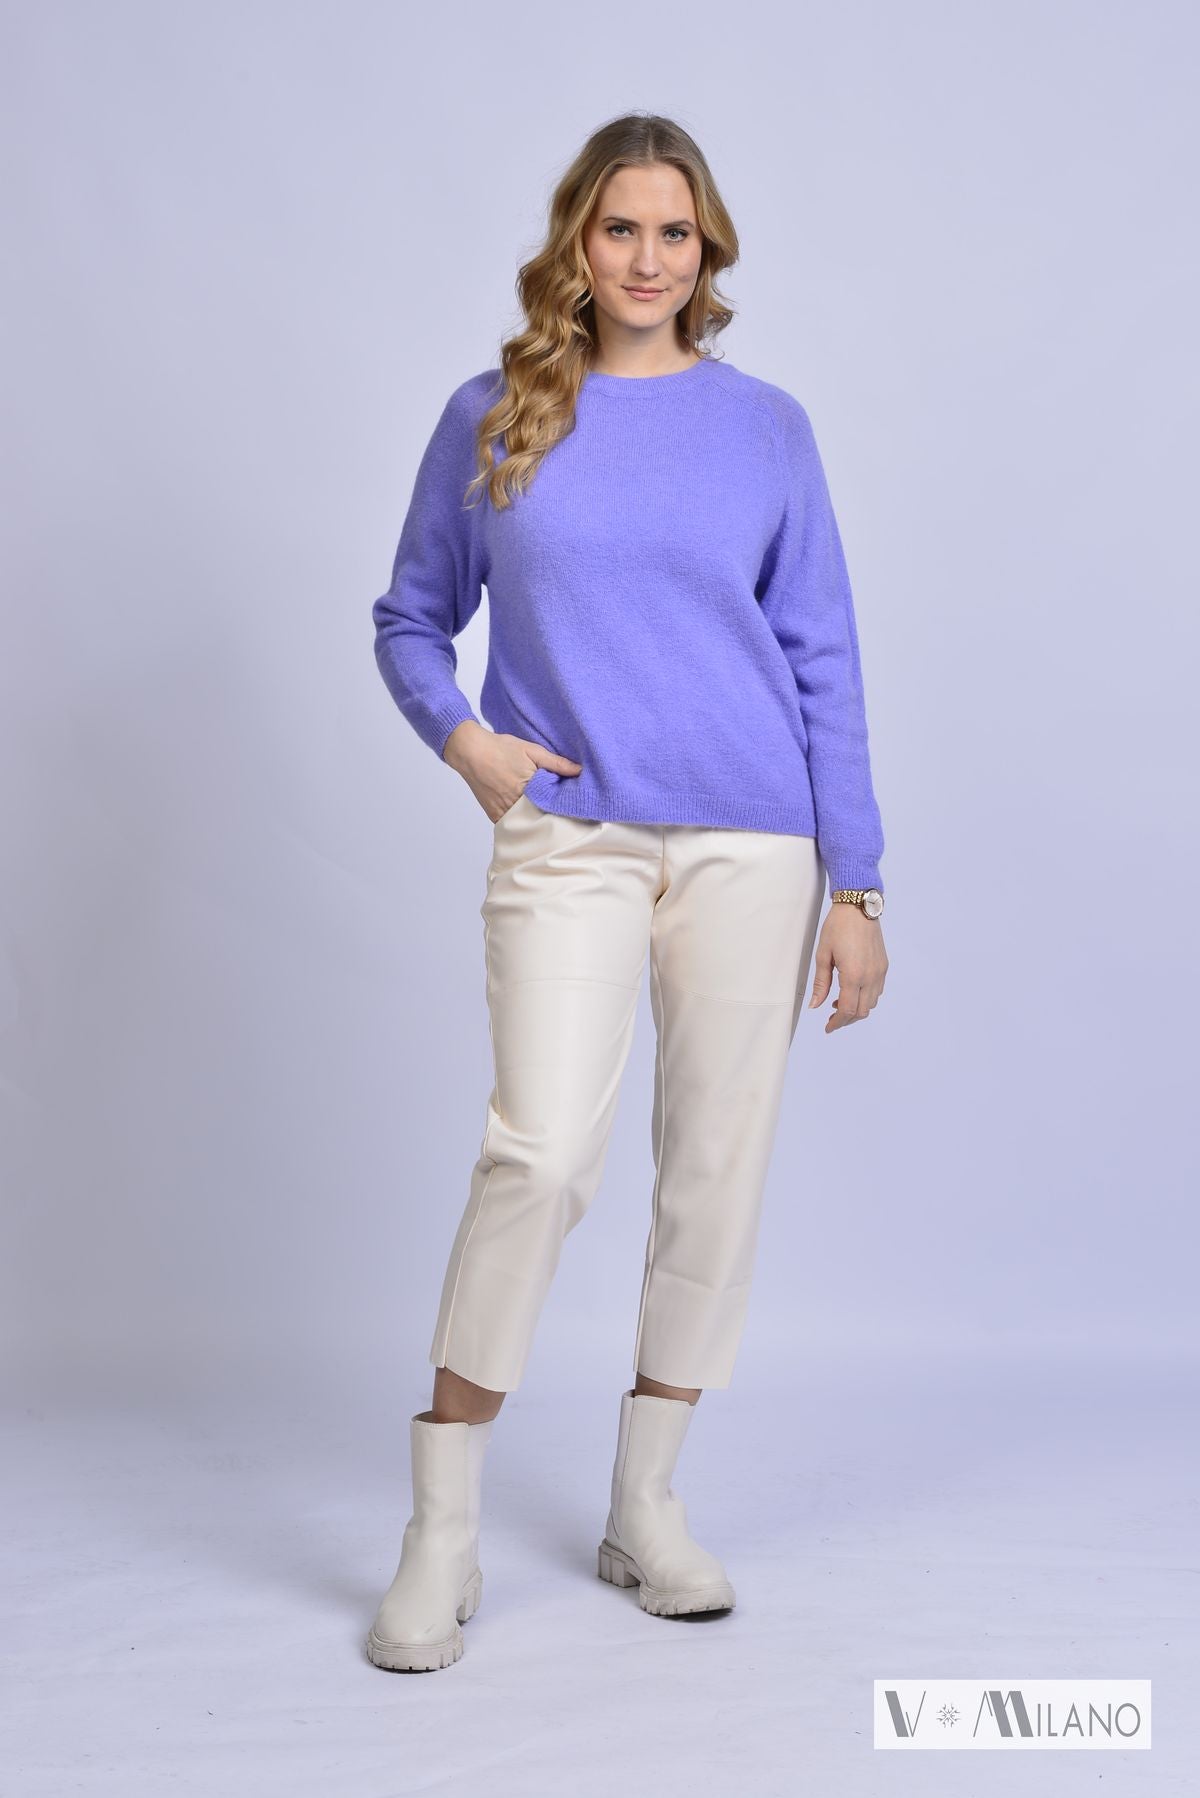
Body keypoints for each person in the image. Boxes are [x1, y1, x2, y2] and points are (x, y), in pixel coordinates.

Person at [364, 112, 889, 1672]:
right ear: (575, 244)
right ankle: (441, 1527)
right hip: (571, 833)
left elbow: (824, 654)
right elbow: (409, 617)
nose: (648, 259)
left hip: (754, 843)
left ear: (705, 248)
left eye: (675, 232)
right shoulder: (496, 412)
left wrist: (858, 882)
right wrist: (466, 740)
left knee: (715, 1167)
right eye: (620, 230)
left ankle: (646, 1502)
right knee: (538, 1151)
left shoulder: (767, 428)